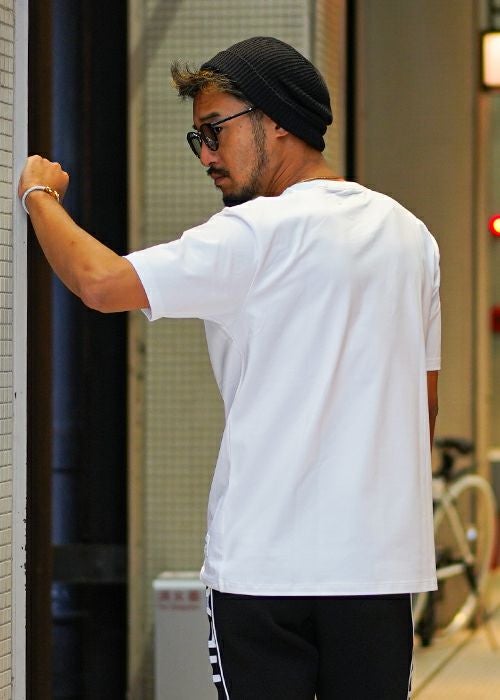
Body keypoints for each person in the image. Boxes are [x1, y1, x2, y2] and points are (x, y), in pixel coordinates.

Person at [19, 36, 440, 700]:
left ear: (277, 119)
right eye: (199, 139)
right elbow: (424, 407)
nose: (206, 155)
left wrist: (38, 194)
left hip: (262, 569)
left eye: (215, 131)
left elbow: (99, 283)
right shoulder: (412, 237)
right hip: (378, 569)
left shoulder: (253, 234)